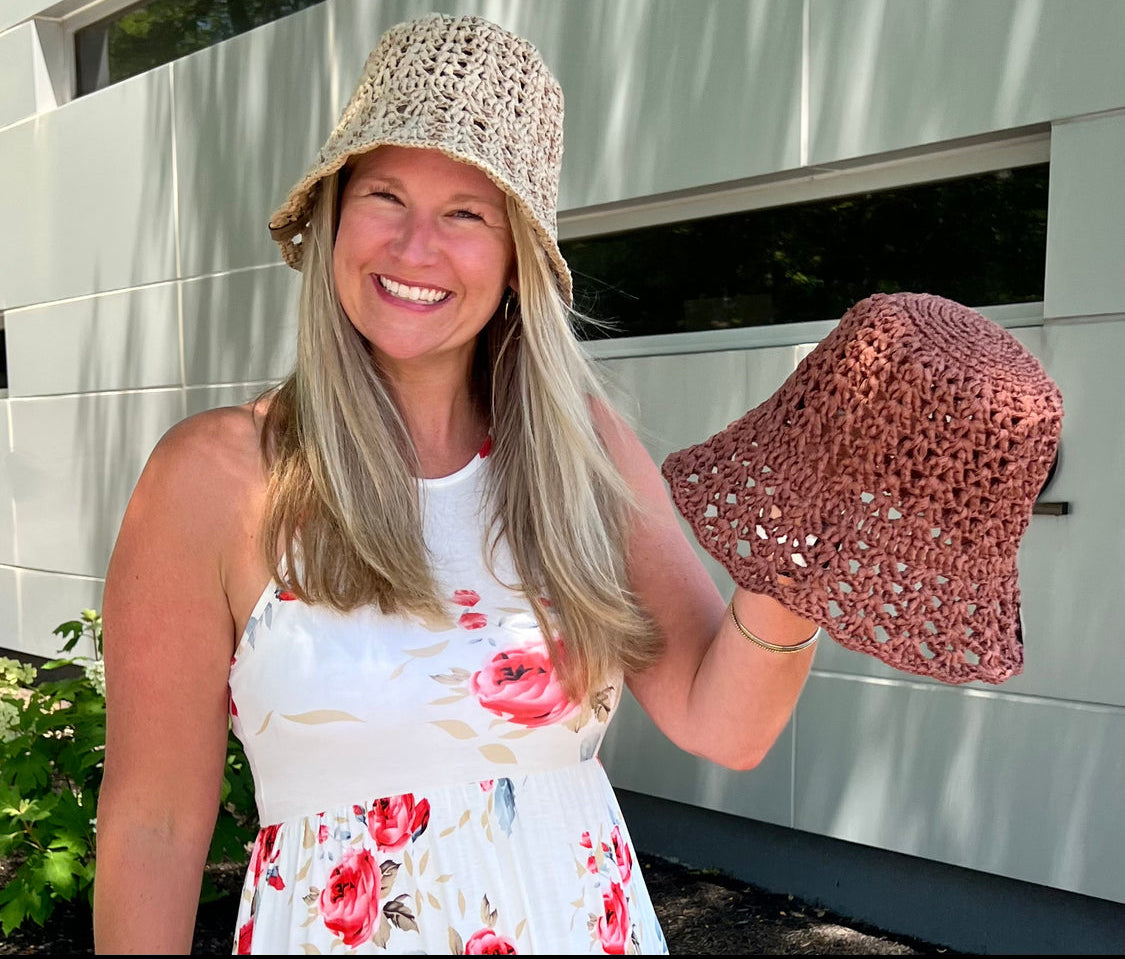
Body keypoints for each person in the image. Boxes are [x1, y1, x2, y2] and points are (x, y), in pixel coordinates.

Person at [92, 13, 819, 955]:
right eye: (384, 195)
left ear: (516, 256)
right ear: (333, 216)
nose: (414, 245)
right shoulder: (216, 474)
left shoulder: (579, 452)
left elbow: (725, 724)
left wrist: (814, 547)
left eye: (467, 213)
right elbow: (152, 821)